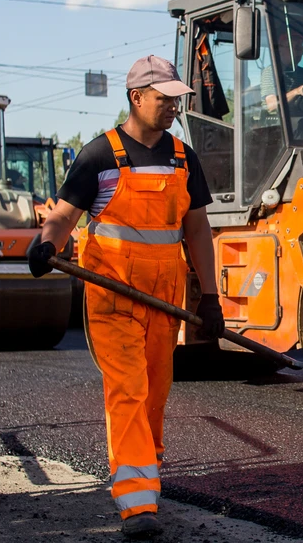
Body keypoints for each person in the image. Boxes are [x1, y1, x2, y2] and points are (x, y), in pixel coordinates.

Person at [27, 55, 225, 540]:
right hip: (113, 298)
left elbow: (197, 230)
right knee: (129, 391)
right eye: (165, 99)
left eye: (177, 99)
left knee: (154, 394)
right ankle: (137, 503)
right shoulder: (99, 156)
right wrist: (47, 243)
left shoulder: (184, 159)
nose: (174, 107)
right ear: (136, 98)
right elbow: (64, 215)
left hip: (164, 301)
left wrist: (211, 297)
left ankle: (144, 476)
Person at [260, 29, 303, 128]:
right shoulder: (271, 72)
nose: (298, 52)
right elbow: (271, 105)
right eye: (294, 47)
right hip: (278, 128)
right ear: (280, 50)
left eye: (300, 48)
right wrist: (297, 92)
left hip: (302, 126)